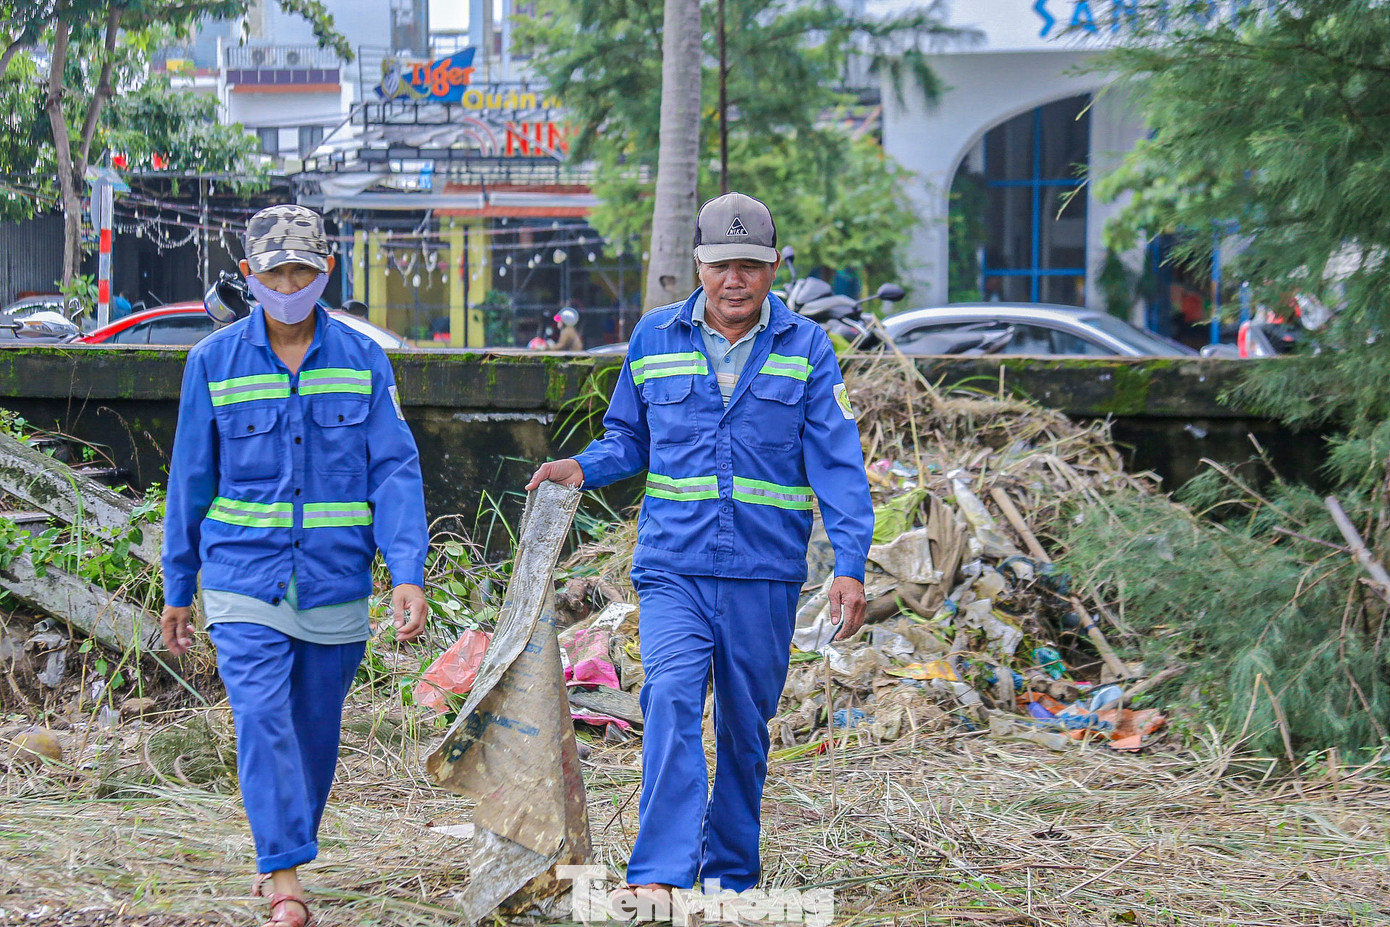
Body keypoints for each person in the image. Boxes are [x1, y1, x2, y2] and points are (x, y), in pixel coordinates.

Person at [527, 192, 873, 899]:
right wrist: (580, 467)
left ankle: (731, 876)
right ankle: (658, 874)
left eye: (750, 265)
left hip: (764, 575)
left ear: (776, 266)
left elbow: (838, 463)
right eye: (721, 265)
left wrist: (851, 564)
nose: (735, 280)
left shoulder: (806, 347)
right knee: (673, 701)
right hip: (673, 569)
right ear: (698, 264)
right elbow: (628, 438)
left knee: (747, 731)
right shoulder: (654, 339)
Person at [160, 204, 429, 927]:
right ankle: (284, 877)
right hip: (242, 579)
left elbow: (395, 472)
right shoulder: (211, 363)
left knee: (313, 733)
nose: (288, 282)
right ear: (249, 275)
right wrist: (177, 586)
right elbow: (190, 479)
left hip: (335, 581)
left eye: (302, 270)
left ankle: (284, 844)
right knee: (261, 718)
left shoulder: (364, 361)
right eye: (274, 270)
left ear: (325, 273)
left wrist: (407, 571)